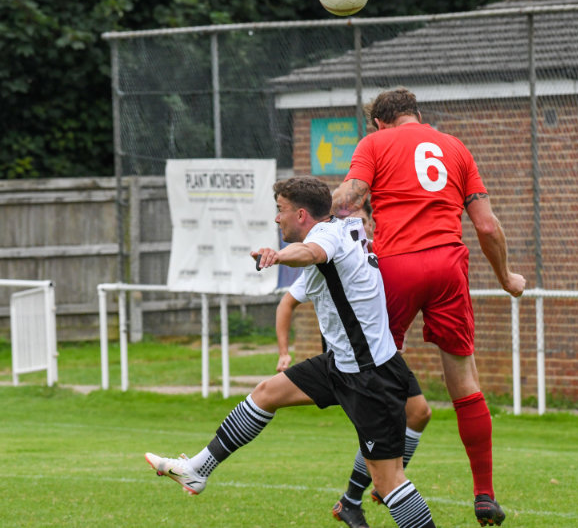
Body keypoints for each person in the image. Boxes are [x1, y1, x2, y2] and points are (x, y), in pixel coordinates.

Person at [145, 176, 437, 528]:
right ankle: (197, 470)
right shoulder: (343, 228)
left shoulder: (325, 238)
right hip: (344, 364)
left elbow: (311, 252)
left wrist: (278, 255)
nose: (276, 218)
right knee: (266, 394)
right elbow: (305, 277)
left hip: (367, 375)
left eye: (280, 210)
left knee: (389, 481)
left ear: (301, 214)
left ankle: (361, 494)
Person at [332, 87, 526, 527]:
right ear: (417, 114)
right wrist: (506, 277)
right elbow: (487, 226)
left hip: (396, 267)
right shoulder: (455, 147)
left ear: (379, 122)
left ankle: (357, 494)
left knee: (377, 381)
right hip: (448, 267)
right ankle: (484, 494)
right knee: (465, 382)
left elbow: (349, 198)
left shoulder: (374, 143)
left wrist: (314, 211)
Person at [274, 200, 432, 528]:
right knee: (387, 469)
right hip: (358, 365)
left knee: (419, 413)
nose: (355, 225)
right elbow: (288, 300)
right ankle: (375, 490)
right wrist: (284, 351)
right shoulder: (334, 251)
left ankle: (357, 497)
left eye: (361, 220)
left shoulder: (373, 251)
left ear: (370, 223)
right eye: (350, 220)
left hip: (385, 358)